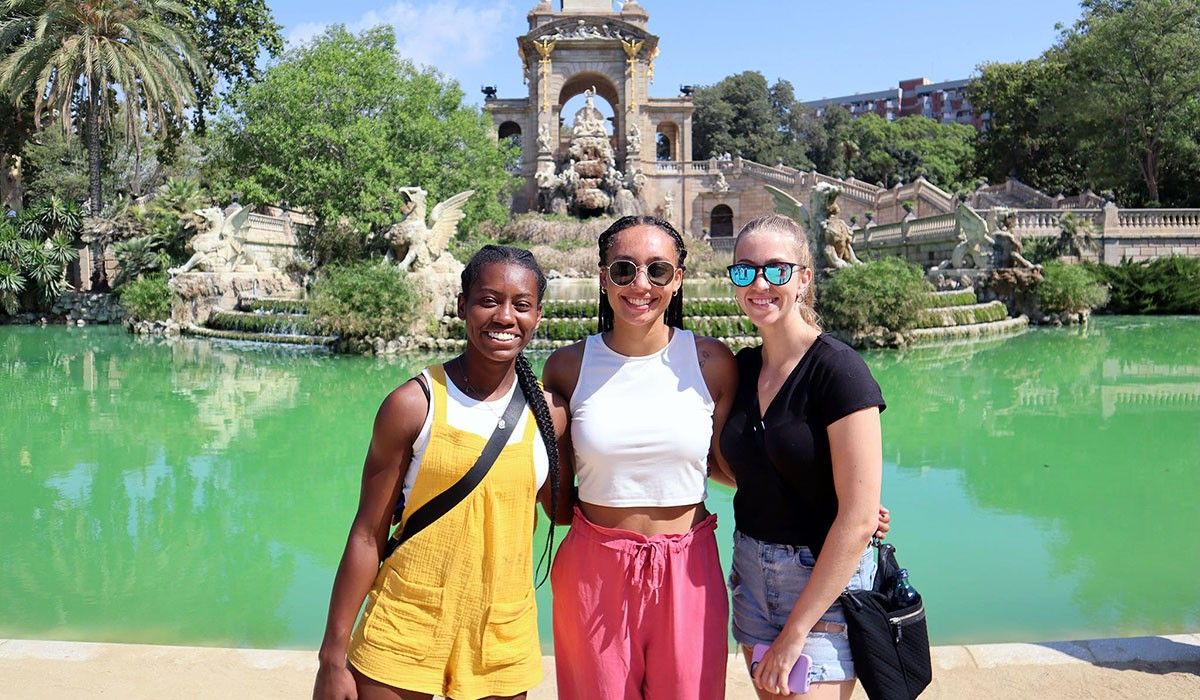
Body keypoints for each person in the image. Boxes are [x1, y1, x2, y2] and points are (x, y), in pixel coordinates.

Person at [313, 245, 569, 700]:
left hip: (500, 629)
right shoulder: (412, 405)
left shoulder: (549, 415)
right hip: (407, 620)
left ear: (538, 315)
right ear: (461, 306)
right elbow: (368, 535)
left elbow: (564, 510)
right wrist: (332, 658)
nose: (505, 316)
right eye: (488, 300)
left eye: (521, 305)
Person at [543, 215, 738, 700]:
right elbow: (550, 481)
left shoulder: (713, 362)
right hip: (594, 568)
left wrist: (838, 503)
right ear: (604, 276)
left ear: (678, 279)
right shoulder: (567, 366)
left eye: (658, 271)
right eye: (625, 270)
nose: (641, 285)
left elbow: (731, 467)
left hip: (688, 568)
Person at [718, 214, 886, 700]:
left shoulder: (839, 370)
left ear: (804, 278)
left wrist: (795, 634)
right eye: (745, 270)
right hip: (751, 570)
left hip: (823, 582)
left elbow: (856, 520)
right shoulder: (743, 367)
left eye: (776, 269)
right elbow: (737, 468)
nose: (760, 283)